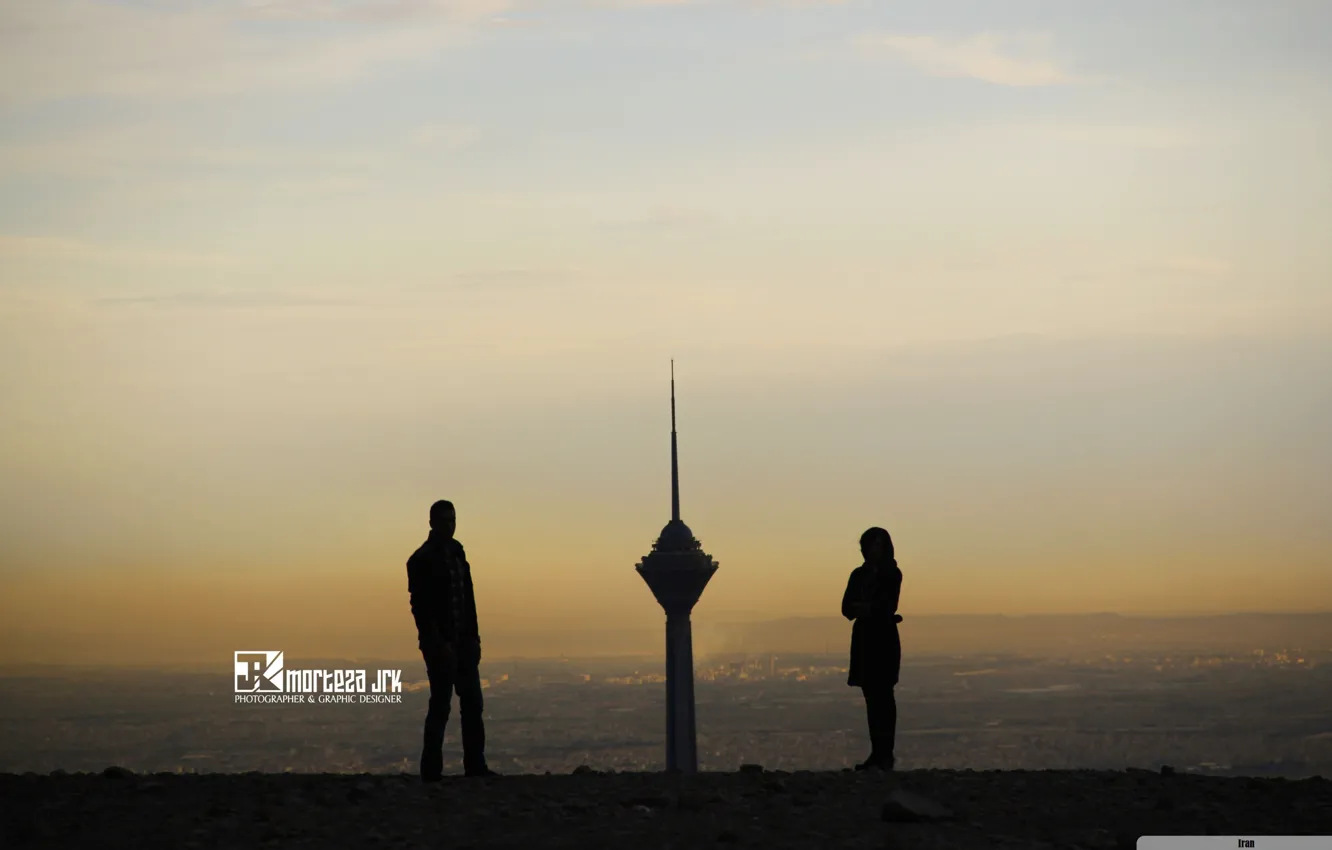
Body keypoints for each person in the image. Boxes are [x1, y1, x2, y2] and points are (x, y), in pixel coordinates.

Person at [407, 499, 498, 780]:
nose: (450, 525)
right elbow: (421, 607)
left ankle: (474, 765)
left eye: (453, 520)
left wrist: (474, 638)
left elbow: (468, 601)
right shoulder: (422, 559)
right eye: (445, 520)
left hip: (463, 642)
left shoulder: (457, 553)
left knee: (472, 705)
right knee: (442, 705)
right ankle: (432, 770)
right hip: (441, 645)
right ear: (432, 522)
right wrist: (436, 642)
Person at [841, 526, 903, 771]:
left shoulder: (892, 573)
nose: (873, 551)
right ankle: (878, 754)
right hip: (866, 639)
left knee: (884, 697)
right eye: (869, 546)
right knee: (871, 698)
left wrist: (865, 607)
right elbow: (846, 608)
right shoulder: (858, 575)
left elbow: (886, 606)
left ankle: (884, 754)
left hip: (883, 638)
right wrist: (868, 608)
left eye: (877, 545)